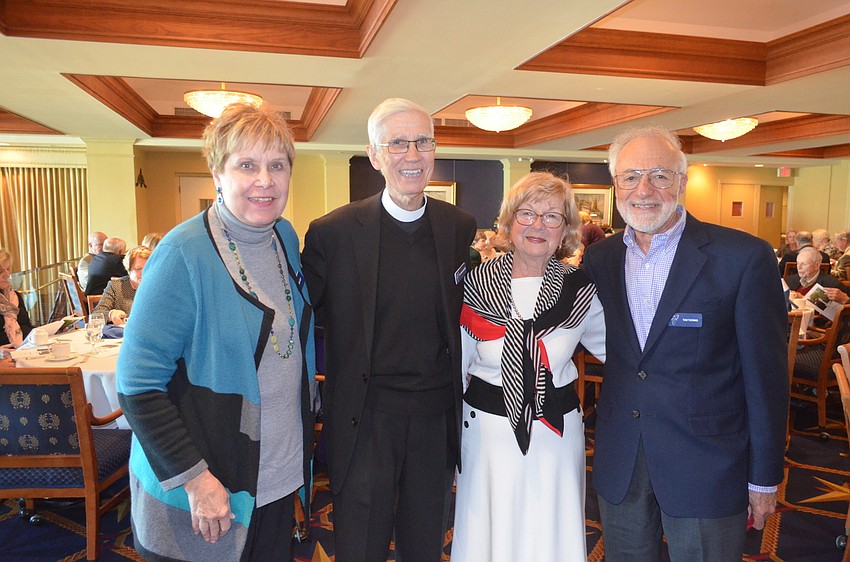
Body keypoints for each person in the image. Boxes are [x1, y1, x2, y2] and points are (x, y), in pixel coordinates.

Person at [117, 103, 316, 562]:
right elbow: (136, 383)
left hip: (276, 470)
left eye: (277, 165)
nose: (264, 180)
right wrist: (195, 479)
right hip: (209, 483)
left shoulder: (284, 237)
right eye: (247, 165)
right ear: (217, 173)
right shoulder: (182, 252)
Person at [583, 126, 788, 562]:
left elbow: (765, 379)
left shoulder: (743, 257)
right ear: (615, 183)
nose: (644, 189)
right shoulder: (600, 259)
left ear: (682, 180)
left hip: (707, 465)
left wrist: (765, 478)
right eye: (631, 176)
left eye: (660, 175)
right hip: (622, 459)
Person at [301, 97, 476, 562]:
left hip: (435, 419)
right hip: (365, 420)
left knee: (425, 544)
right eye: (398, 143)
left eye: (424, 142)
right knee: (360, 546)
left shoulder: (458, 227)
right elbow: (299, 318)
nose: (413, 155)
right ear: (375, 155)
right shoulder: (332, 233)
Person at [451, 172, 605, 562]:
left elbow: (622, 353)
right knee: (490, 534)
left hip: (555, 435)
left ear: (566, 229)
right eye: (528, 213)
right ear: (508, 221)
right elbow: (454, 369)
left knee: (548, 534)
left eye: (552, 216)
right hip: (485, 435)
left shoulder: (581, 288)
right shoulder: (473, 284)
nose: (538, 225)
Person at [93, 245, 152, 325]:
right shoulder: (116, 286)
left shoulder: (160, 287)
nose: (144, 273)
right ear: (129, 270)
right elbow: (97, 314)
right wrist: (111, 314)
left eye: (148, 268)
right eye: (138, 269)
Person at [0, 248, 33, 348]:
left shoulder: (15, 296)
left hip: (26, 349)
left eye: (8, 269)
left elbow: (27, 326)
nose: (7, 275)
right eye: (0, 271)